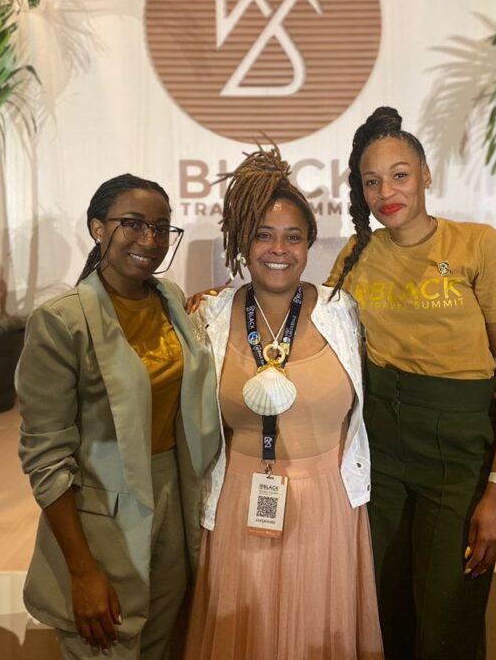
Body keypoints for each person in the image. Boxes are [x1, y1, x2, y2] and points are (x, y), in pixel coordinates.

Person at [329, 106, 496, 659]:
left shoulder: (480, 247)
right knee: (386, 611)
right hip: (380, 456)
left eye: (399, 174)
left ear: (426, 175)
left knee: (447, 621)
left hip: (457, 455)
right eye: (371, 181)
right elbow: (318, 338)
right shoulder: (356, 256)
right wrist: (228, 305)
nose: (385, 191)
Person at [185, 147, 383, 659]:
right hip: (238, 503)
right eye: (263, 235)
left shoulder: (344, 311)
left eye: (293, 237)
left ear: (310, 244)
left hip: (328, 506)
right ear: (241, 242)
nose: (279, 249)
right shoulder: (208, 315)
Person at [16, 174, 221, 660]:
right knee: (109, 647)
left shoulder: (170, 299)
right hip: (102, 523)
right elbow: (45, 457)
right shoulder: (61, 321)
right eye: (132, 224)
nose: (149, 240)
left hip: (172, 502)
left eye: (161, 228)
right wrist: (82, 570)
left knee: (163, 643)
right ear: (96, 228)